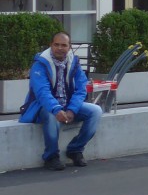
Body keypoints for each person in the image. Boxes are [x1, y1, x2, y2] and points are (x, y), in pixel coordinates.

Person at [19, 31, 101, 170]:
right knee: (52, 116)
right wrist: (56, 109)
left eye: (64, 45)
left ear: (69, 47)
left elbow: (81, 88)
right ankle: (51, 157)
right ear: (51, 45)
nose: (60, 48)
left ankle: (75, 150)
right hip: (42, 107)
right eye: (56, 44)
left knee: (96, 111)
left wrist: (72, 109)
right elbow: (42, 92)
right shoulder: (40, 64)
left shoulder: (74, 63)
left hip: (68, 105)